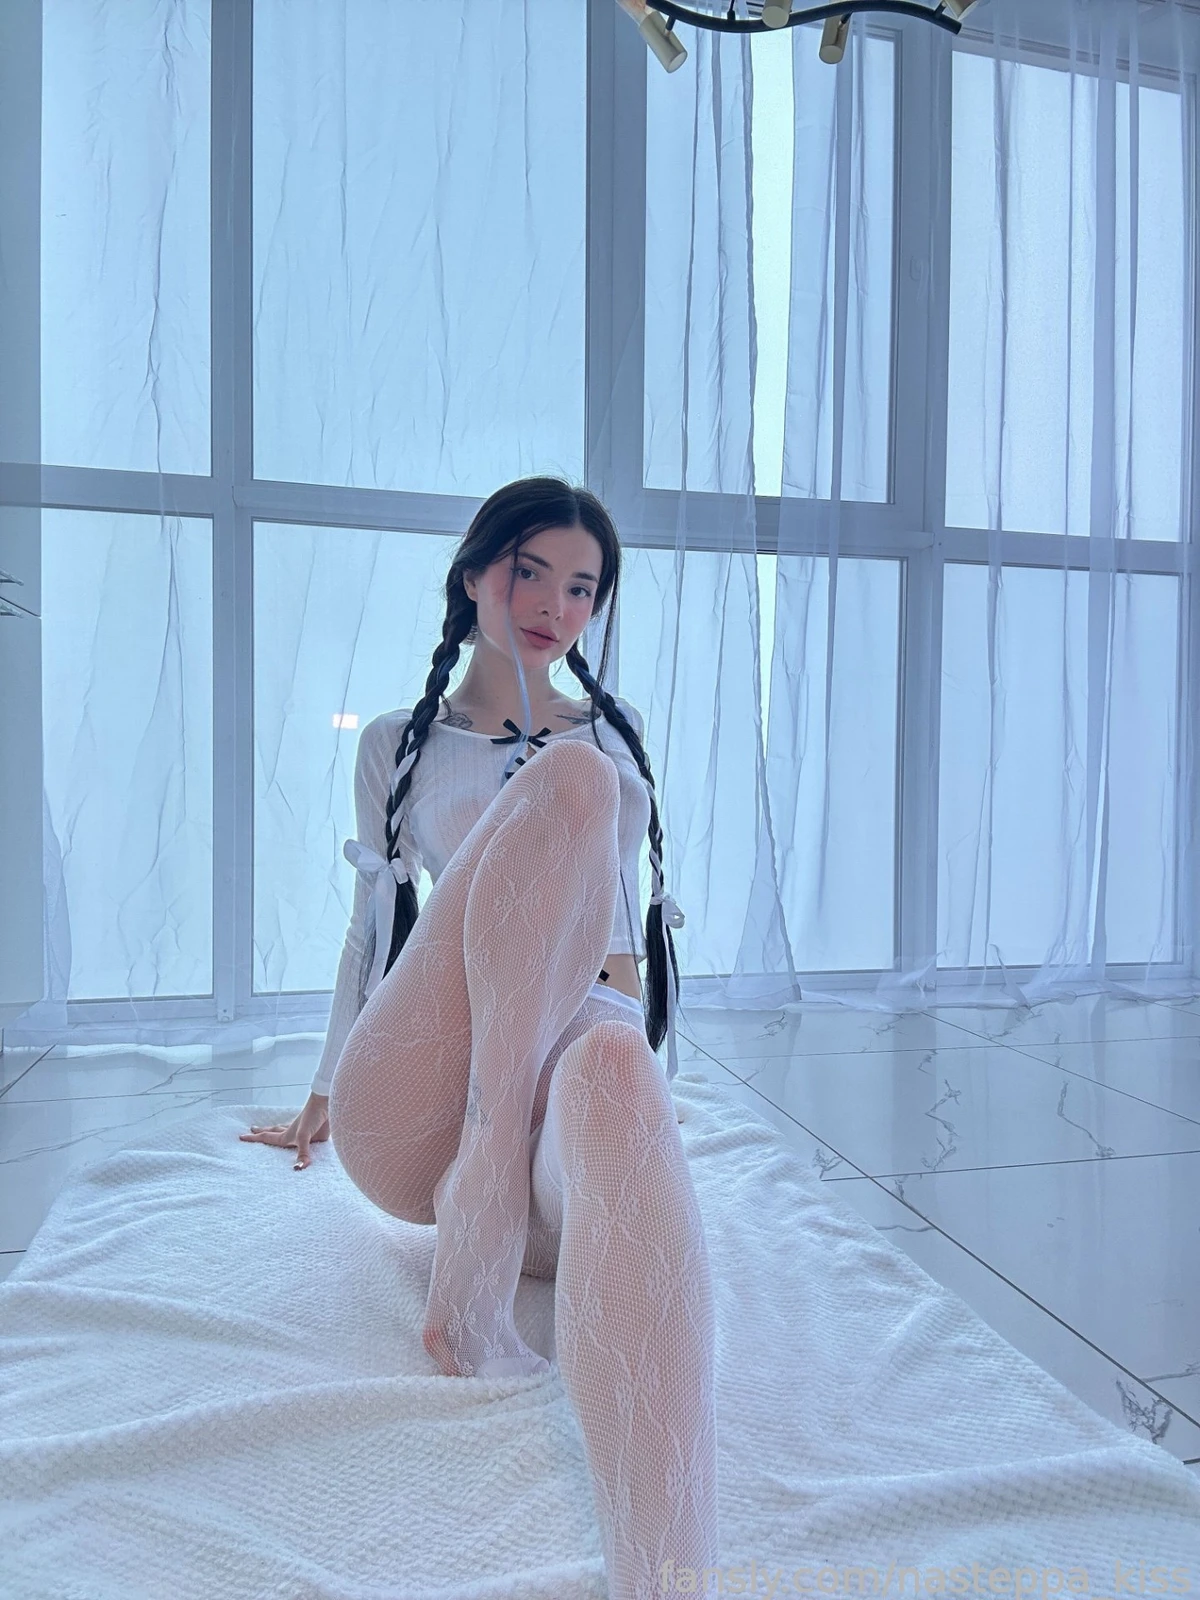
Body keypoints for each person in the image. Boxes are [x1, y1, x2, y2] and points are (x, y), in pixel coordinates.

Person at [241, 477, 718, 1596]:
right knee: (571, 783)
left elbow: (619, 942)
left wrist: (641, 1095)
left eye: (583, 586)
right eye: (529, 571)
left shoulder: (614, 736)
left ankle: (670, 1579)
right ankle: (483, 1176)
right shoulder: (401, 744)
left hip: (564, 1095)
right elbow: (372, 928)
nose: (556, 604)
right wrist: (324, 1087)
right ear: (472, 576)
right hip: (425, 1112)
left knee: (614, 1057)